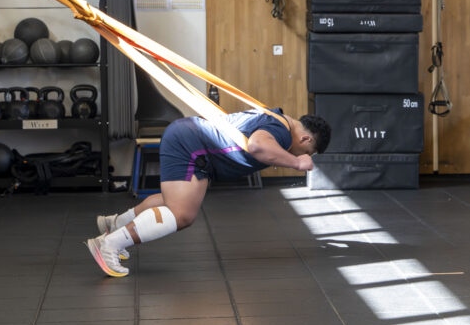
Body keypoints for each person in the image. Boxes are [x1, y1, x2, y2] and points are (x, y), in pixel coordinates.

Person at [86, 109, 331, 277]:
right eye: (307, 151)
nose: (304, 156)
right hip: (192, 145)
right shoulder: (281, 130)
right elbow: (258, 146)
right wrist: (297, 164)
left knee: (172, 201)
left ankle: (115, 225)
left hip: (191, 141)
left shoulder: (277, 119)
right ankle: (109, 244)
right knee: (181, 214)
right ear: (305, 138)